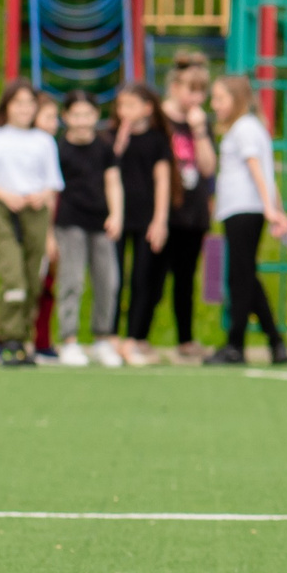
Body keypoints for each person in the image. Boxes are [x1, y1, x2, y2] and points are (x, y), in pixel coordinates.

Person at [0, 79, 63, 368]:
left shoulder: (43, 141)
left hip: (35, 212)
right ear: (7, 105)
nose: (24, 109)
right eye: (18, 103)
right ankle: (9, 338)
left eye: (29, 103)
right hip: (5, 210)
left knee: (33, 280)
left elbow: (53, 183)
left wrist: (39, 195)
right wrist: (7, 195)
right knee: (14, 278)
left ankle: (17, 337)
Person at [205, 74, 287, 366]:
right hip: (245, 208)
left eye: (220, 98)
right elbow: (267, 174)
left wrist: (270, 208)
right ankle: (275, 343)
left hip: (243, 208)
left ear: (237, 99)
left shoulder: (243, 129)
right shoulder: (253, 128)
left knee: (239, 279)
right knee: (245, 277)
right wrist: (275, 208)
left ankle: (236, 345)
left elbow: (257, 169)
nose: (214, 104)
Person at [50, 91, 126, 368]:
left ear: (96, 116)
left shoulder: (104, 148)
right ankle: (69, 339)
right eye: (76, 115)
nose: (82, 121)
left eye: (87, 114)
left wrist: (116, 214)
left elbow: (113, 181)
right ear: (66, 117)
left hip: (101, 222)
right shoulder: (59, 149)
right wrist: (50, 232)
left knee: (108, 281)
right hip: (69, 222)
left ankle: (102, 338)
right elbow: (51, 191)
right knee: (72, 280)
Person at [108, 82, 172, 367]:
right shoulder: (111, 137)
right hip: (118, 217)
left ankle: (133, 338)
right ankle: (109, 337)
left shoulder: (157, 140)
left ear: (147, 108)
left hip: (146, 218)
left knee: (142, 279)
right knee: (113, 278)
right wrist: (120, 140)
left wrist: (160, 220)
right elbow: (106, 169)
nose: (125, 112)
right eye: (122, 106)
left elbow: (163, 180)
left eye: (132, 105)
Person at [160, 55, 217, 361]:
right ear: (174, 87)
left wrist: (198, 132)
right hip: (163, 211)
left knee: (186, 279)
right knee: (152, 277)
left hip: (193, 214)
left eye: (201, 91)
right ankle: (136, 337)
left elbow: (208, 169)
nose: (195, 98)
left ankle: (185, 340)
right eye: (190, 89)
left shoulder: (201, 123)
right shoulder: (159, 119)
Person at [30, 93, 63, 361]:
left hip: (54, 225)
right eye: (49, 117)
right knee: (33, 285)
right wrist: (48, 235)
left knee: (48, 285)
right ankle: (23, 338)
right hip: (36, 228)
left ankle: (42, 341)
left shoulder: (51, 146)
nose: (55, 123)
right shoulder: (35, 149)